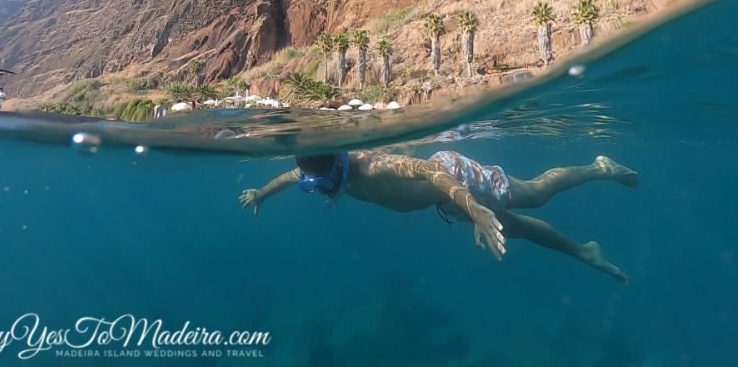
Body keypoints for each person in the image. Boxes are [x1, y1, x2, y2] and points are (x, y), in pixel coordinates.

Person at [239, 150, 638, 283]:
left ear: (338, 169)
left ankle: (599, 167)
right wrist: (261, 193)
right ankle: (583, 251)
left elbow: (433, 173)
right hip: (445, 200)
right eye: (315, 187)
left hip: (453, 177)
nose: (322, 191)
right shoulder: (319, 172)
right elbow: (291, 175)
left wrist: (475, 207)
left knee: (536, 194)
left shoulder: (375, 167)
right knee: (513, 229)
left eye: (323, 184)